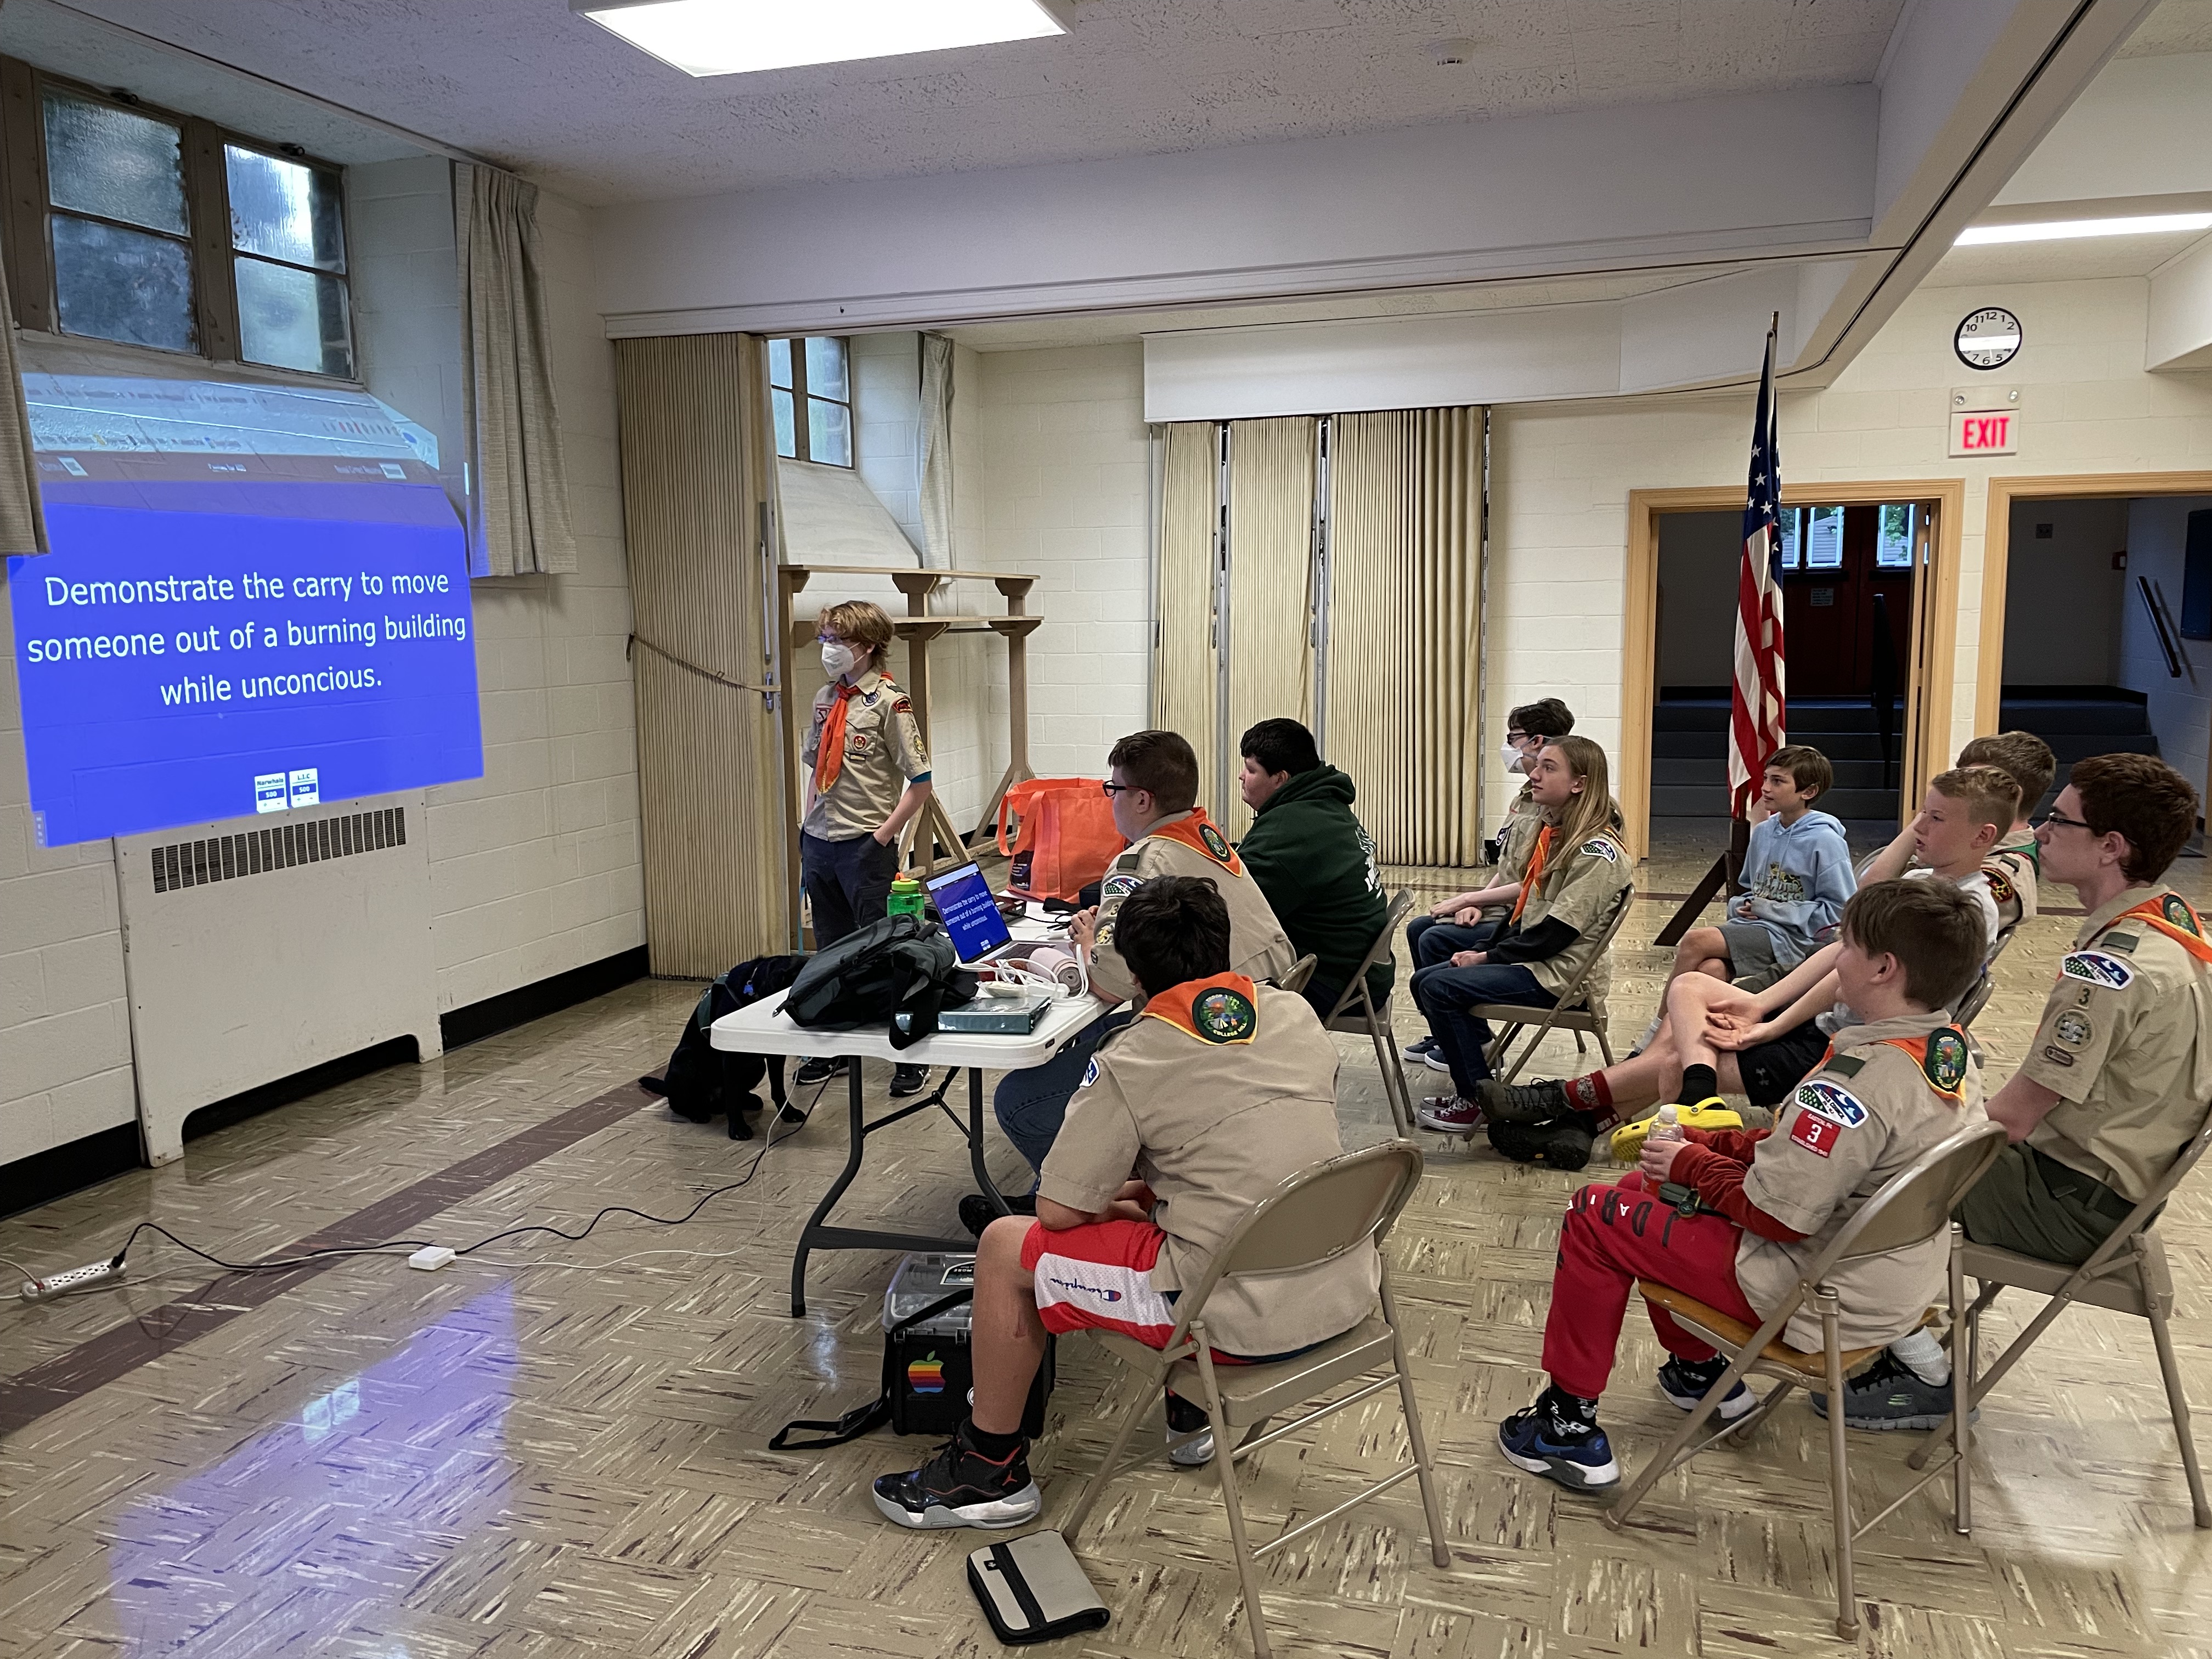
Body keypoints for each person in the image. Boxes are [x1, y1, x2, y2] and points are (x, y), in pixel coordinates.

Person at [874, 877, 1376, 1528]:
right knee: (1167, 1208)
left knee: (1005, 1244)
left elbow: (1057, 1213)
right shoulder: (1292, 1014)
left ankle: (987, 1470)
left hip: (1236, 1318)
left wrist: (1112, 1200)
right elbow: (1252, 1157)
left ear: (1133, 972)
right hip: (1342, 1285)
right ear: (1221, 946)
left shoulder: (1132, 1056)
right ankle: (1189, 1415)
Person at [1496, 878, 1990, 1492]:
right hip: (1887, 1274)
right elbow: (1824, 1162)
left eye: (1848, 947)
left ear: (1884, 969)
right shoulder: (1951, 1052)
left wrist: (1688, 1165)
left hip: (1813, 1292)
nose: (1836, 958)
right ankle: (1701, 1374)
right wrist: (1712, 1145)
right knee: (1638, 1185)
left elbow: (1775, 1215)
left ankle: (1566, 1428)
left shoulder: (1850, 1084)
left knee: (1595, 1211)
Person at [1824, 753, 2212, 1430]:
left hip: (2069, 1199)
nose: (2036, 836)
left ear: (2110, 848)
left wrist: (1916, 1118)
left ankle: (1922, 1371)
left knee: (1851, 1156)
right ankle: (1901, 1328)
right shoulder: (2169, 926)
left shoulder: (2110, 971)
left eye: (2059, 822)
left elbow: (2017, 1119)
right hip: (2106, 1185)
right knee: (1892, 1130)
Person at [1485, 764, 2019, 1150]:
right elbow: (1851, 934)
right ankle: (1588, 1123)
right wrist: (1760, 1006)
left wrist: (1768, 1023)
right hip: (1817, 1007)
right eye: (1920, 814)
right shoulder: (1926, 879)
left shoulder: (1962, 904)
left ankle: (1565, 1102)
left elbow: (1844, 950)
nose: (1920, 828)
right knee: (1694, 989)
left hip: (1839, 1036)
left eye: (1935, 819)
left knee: (1681, 1050)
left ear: (1983, 835)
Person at [968, 730, 1296, 1234]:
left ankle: (1073, 1212)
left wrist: (1087, 945)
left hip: (1205, 1040)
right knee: (1089, 1042)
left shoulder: (1140, 862)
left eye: (1112, 789)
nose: (1109, 799)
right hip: (1266, 1020)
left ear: (1142, 799)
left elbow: (1111, 983)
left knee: (1020, 1098)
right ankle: (1062, 1188)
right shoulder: (1205, 834)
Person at [1409, 735, 1632, 1162]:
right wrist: (1483, 949)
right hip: (1539, 961)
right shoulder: (1558, 832)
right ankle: (1476, 1078)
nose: (1534, 774)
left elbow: (1555, 934)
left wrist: (1487, 958)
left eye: (1549, 768)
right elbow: (1521, 912)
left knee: (1438, 987)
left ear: (1579, 784)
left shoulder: (1595, 850)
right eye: (1538, 765)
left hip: (1560, 976)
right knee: (1429, 977)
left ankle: (1475, 1097)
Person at [798, 599, 934, 1097]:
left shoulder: (890, 703)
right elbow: (816, 768)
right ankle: (832, 1045)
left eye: (838, 640)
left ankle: (909, 1050)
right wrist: (805, 827)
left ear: (868, 645)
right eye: (825, 639)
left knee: (888, 948)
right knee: (831, 950)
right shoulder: (824, 698)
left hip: (863, 842)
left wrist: (881, 837)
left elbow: (920, 782)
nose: (829, 649)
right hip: (820, 840)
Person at [1405, 699, 1576, 1018]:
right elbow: (1510, 866)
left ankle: (1466, 1030)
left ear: (1535, 741)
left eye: (1513, 738)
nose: (1509, 747)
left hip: (1523, 918)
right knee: (1420, 928)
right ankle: (1447, 1028)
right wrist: (1478, 901)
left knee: (1433, 938)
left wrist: (1470, 898)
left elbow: (1536, 882)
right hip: (1507, 907)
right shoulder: (1527, 795)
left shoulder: (1555, 804)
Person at [1233, 717, 1391, 1022]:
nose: (1242, 777)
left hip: (1332, 982)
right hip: (1362, 972)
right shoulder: (1323, 804)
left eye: (1251, 770)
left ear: (1280, 779)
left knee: (1203, 982)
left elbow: (1239, 907)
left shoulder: (1291, 828)